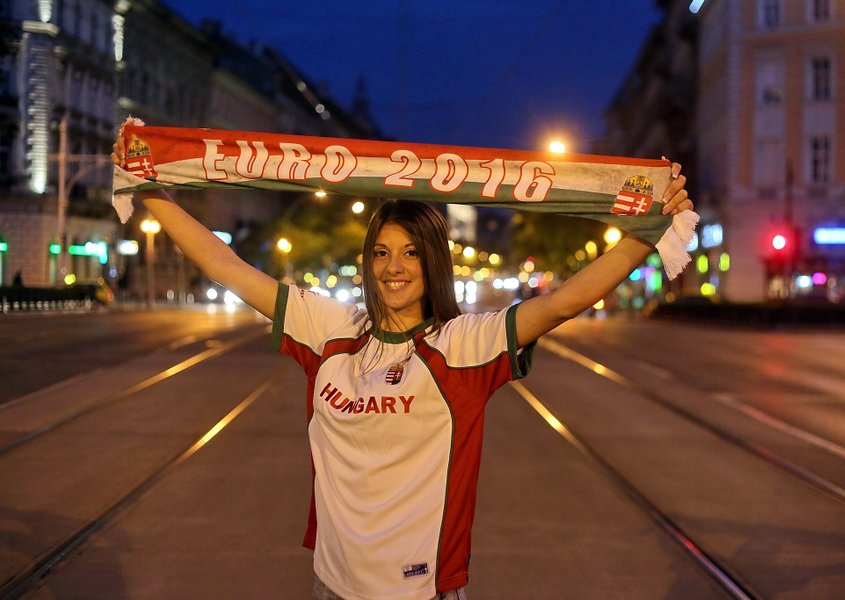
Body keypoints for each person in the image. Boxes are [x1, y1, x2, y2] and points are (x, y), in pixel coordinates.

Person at [112, 136, 692, 600]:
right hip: (332, 584)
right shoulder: (329, 328)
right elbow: (227, 266)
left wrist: (647, 231)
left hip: (420, 590)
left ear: (433, 260)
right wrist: (149, 189)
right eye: (382, 252)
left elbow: (563, 302)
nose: (394, 267)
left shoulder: (464, 343)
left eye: (411, 252)